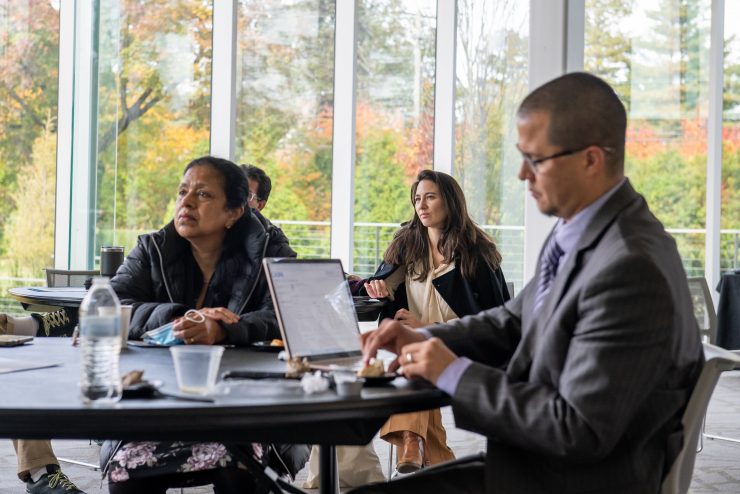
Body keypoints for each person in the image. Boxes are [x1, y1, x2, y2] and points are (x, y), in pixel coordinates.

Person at [356, 72, 704, 494]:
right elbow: (512, 321)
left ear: (591, 159)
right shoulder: (580, 232)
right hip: (534, 468)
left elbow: (577, 429)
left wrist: (452, 373)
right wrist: (421, 336)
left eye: (536, 160)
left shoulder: (630, 267)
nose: (522, 174)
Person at [101, 156, 308, 493]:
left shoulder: (271, 248)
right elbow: (110, 305)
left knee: (241, 469)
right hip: (161, 402)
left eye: (203, 194)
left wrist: (225, 329)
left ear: (234, 212)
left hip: (248, 406)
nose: (186, 201)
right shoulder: (152, 249)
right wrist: (177, 317)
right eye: (183, 192)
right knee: (127, 472)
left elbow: (288, 314)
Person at [360, 169, 510, 475]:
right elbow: (384, 283)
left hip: (460, 345)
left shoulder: (476, 250)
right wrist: (380, 289)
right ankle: (431, 455)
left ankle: (412, 438)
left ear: (450, 201)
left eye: (430, 197)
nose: (422, 205)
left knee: (415, 365)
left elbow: (497, 317)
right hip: (413, 344)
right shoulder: (407, 243)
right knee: (415, 361)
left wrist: (426, 329)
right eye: (417, 198)